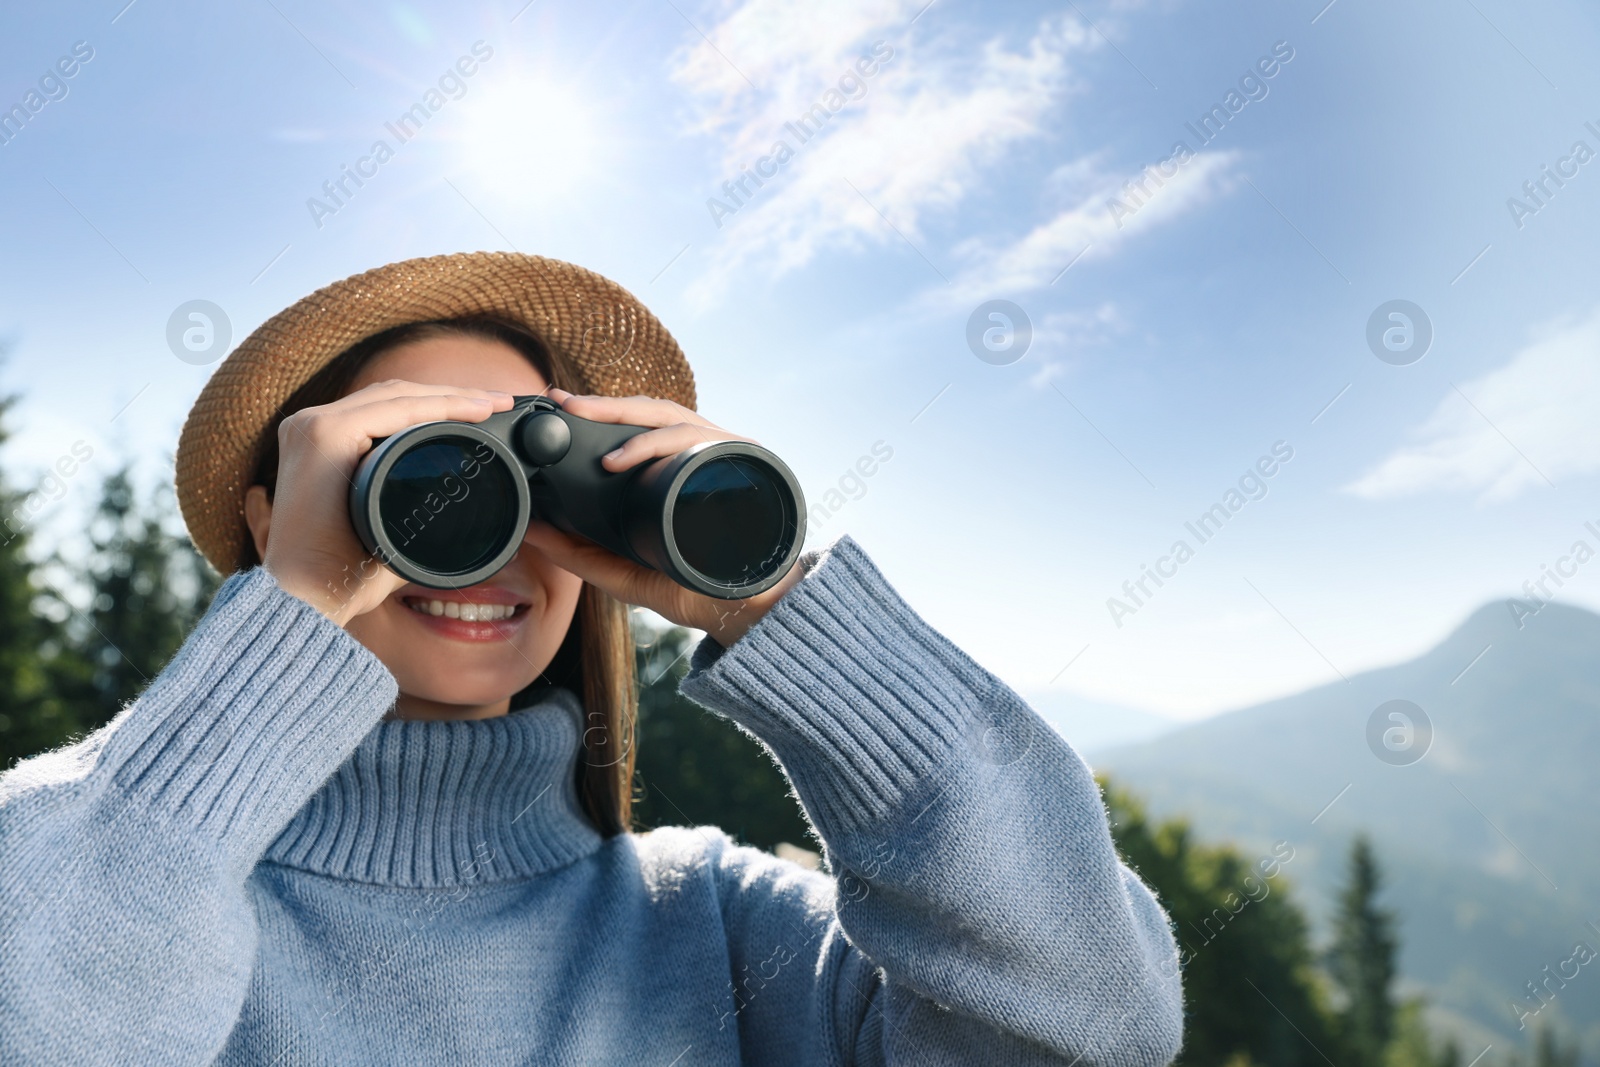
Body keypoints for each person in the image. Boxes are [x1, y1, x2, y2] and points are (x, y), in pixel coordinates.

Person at [0, 253, 1183, 1065]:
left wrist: (771, 600)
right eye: (428, 476)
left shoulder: (718, 924)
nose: (490, 548)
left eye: (537, 491)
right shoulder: (90, 867)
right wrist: (291, 614)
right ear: (275, 517)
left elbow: (1095, 1022)